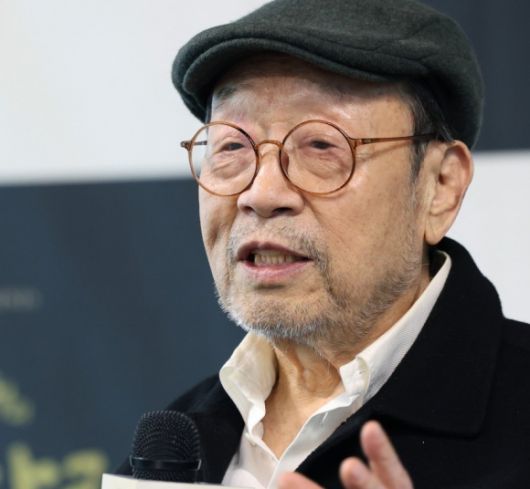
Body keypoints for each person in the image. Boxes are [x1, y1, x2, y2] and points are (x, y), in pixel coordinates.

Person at [117, 0, 530, 487]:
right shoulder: (170, 452)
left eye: (321, 145)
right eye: (231, 146)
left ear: (440, 187)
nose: (261, 194)